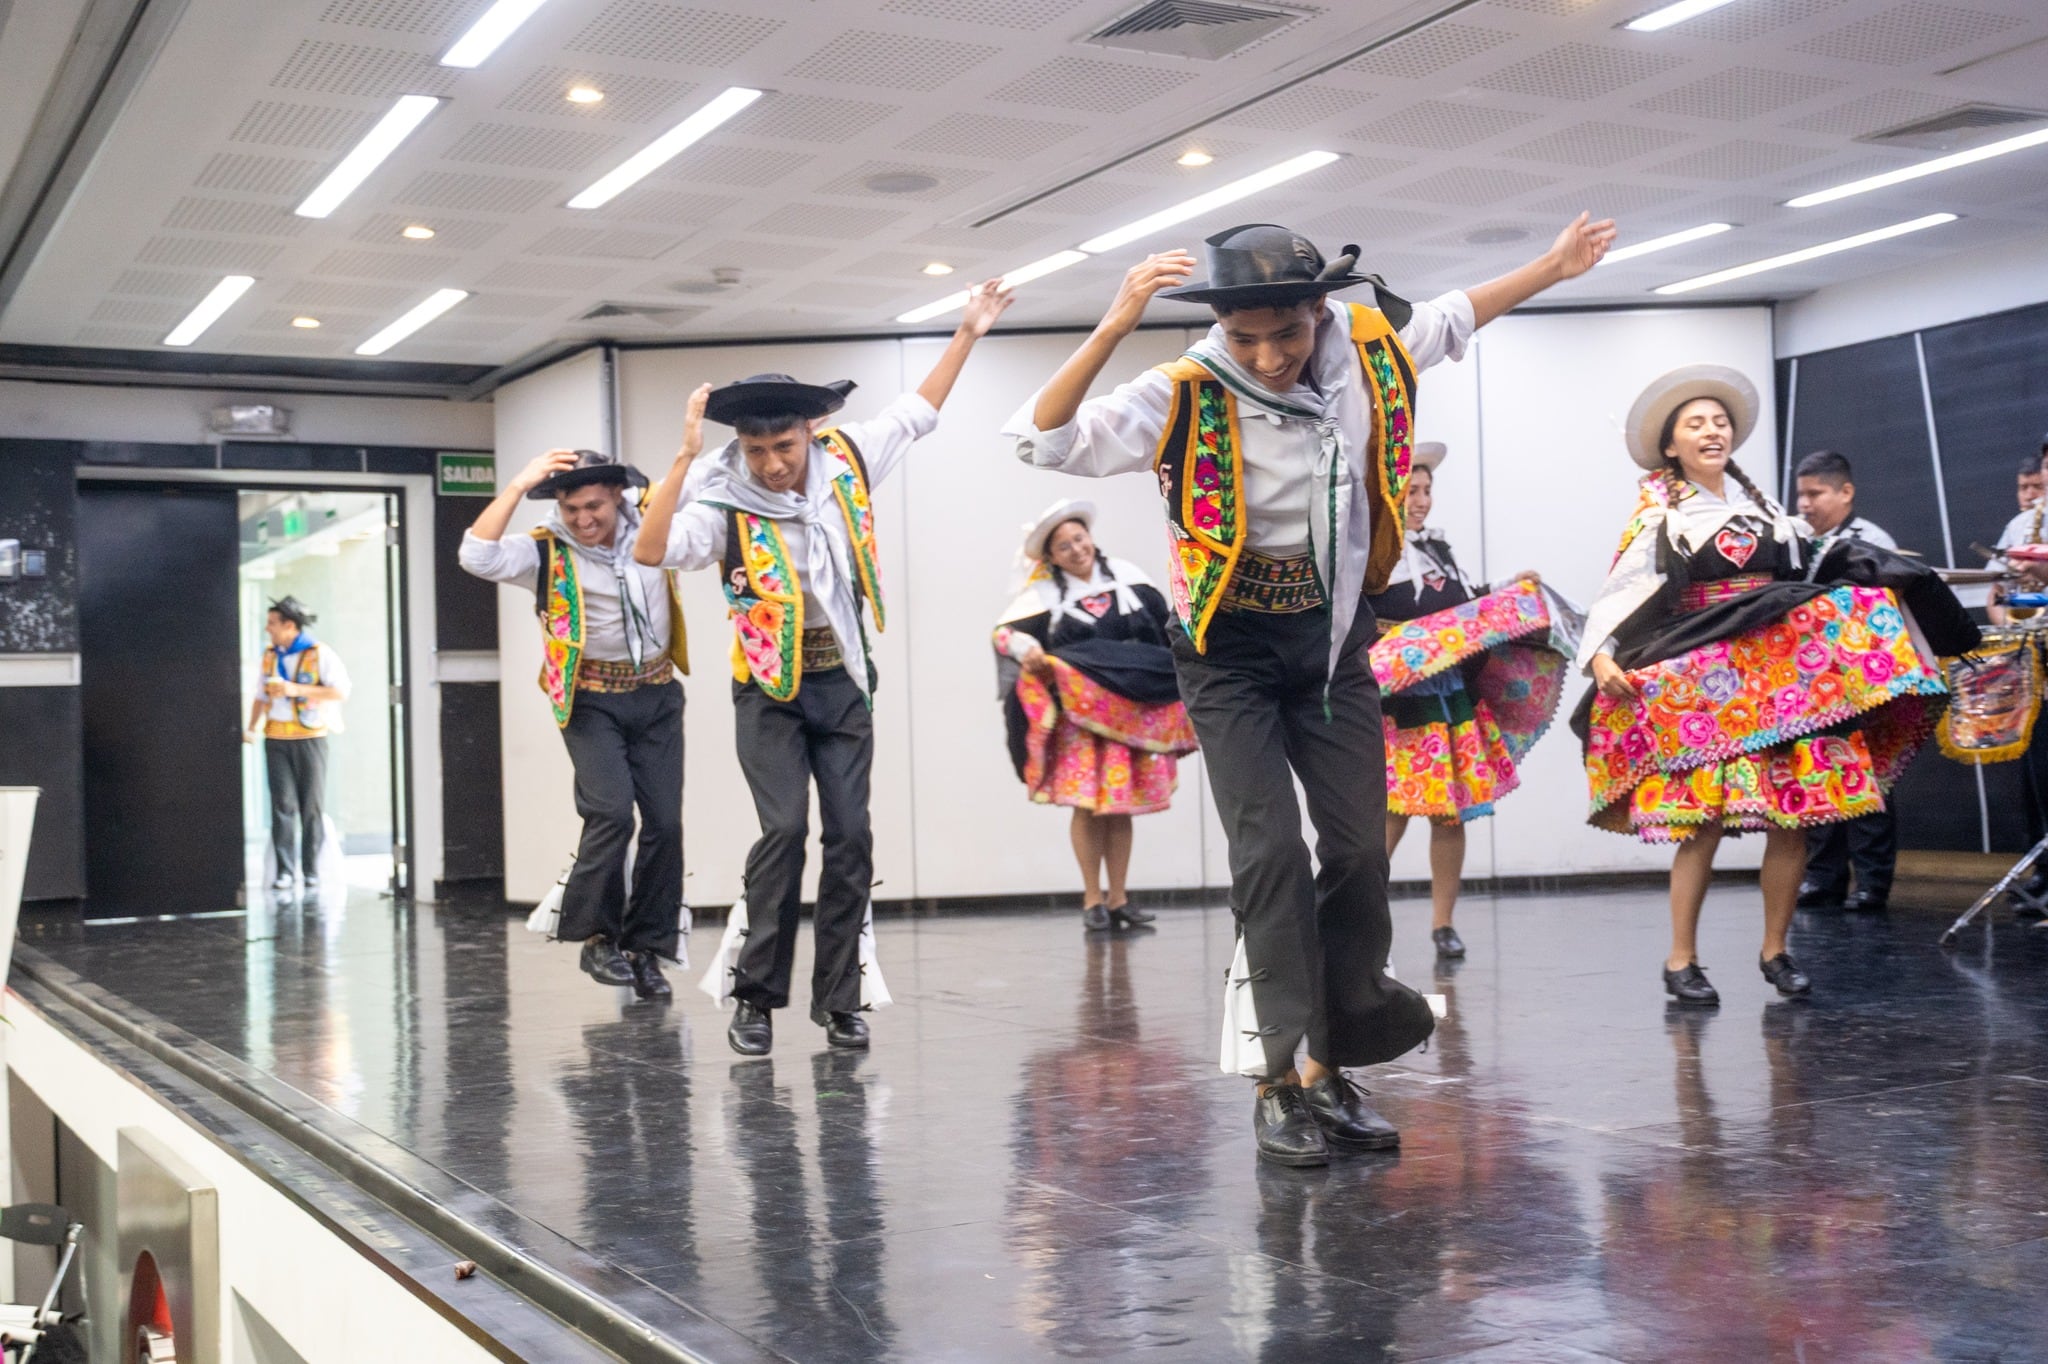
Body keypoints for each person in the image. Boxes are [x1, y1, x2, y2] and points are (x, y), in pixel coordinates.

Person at [1004, 212, 1617, 1167]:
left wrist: (1554, 265)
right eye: (1246, 337)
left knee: (1359, 852)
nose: (1269, 354)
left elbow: (1454, 317)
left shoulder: (1366, 355)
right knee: (1269, 859)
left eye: (1285, 333)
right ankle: (1274, 1076)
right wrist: (1116, 320)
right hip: (1227, 651)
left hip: (1331, 645)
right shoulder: (1185, 389)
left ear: (1318, 312)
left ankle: (1334, 1059)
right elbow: (1045, 442)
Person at [635, 279, 1013, 1058]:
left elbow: (920, 411)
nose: (772, 465)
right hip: (767, 689)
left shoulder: (848, 462)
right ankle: (755, 998)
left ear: (811, 433)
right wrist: (680, 459)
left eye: (784, 447)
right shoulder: (719, 500)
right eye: (756, 451)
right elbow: (647, 548)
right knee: (784, 831)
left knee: (850, 837)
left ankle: (840, 1000)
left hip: (842, 680)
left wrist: (969, 332)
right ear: (738, 447)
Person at [1577, 366, 1960, 1007]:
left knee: (1796, 818)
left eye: (1720, 422)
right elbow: (1621, 589)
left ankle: (1776, 950)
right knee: (1703, 823)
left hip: (1780, 681)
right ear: (1671, 445)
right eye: (1696, 423)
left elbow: (1807, 571)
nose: (1712, 431)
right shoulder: (1661, 514)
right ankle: (1681, 959)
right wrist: (1600, 657)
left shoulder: (1768, 512)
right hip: (1709, 681)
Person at [458, 448, 691, 1001]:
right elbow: (475, 555)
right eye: (570, 508)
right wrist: (518, 483)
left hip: (657, 695)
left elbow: (709, 481)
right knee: (610, 811)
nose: (583, 520)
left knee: (665, 824)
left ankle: (647, 949)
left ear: (617, 497)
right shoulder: (544, 551)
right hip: (590, 701)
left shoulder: (658, 530)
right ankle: (596, 935)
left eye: (594, 506)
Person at [1367, 445, 1554, 960]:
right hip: (1398, 697)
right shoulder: (1372, 554)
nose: (1422, 501)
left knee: (1448, 810)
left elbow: (1465, 608)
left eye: (1427, 491)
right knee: (1392, 810)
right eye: (1412, 492)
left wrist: (1509, 590)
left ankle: (1442, 923)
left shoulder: (1439, 552)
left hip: (1446, 694)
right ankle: (1357, 912)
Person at [991, 498, 1197, 932]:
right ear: (1051, 557)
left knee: (1119, 806)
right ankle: (1092, 900)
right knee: (1088, 807)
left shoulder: (1130, 580)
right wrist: (1026, 650)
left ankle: (1119, 897)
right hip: (1080, 724)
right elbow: (1004, 635)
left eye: (1079, 539)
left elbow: (1167, 633)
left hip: (1131, 718)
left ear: (1090, 538)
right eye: (1063, 546)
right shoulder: (1040, 598)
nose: (1076, 550)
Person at [1791, 450, 1900, 912]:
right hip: (1813, 678)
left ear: (1846, 493)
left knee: (1868, 776)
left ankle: (1872, 881)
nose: (1804, 504)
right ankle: (1824, 877)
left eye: (1815, 493)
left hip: (1864, 676)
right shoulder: (1796, 540)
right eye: (1800, 494)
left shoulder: (1870, 542)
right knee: (1818, 772)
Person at [244, 596, 351, 894]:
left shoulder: (319, 654)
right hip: (277, 738)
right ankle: (285, 871)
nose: (268, 630)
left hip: (311, 738)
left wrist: (295, 689)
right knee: (282, 805)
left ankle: (312, 870)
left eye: (272, 624)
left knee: (311, 806)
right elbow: (260, 696)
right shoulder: (268, 656)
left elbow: (340, 691)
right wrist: (251, 727)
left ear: (290, 626)